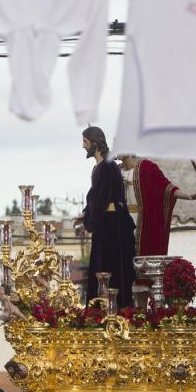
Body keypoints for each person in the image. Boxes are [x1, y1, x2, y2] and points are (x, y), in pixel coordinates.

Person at [77, 125, 136, 307]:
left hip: (110, 227)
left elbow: (101, 199)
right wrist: (86, 214)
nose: (83, 146)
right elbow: (97, 197)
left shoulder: (107, 167)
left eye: (85, 142)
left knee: (108, 270)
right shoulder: (101, 167)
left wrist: (89, 219)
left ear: (95, 143)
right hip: (106, 224)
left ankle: (110, 309)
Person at [121, 155, 196, 256]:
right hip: (121, 222)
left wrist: (188, 196)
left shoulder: (147, 168)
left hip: (142, 224)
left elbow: (165, 188)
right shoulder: (115, 171)